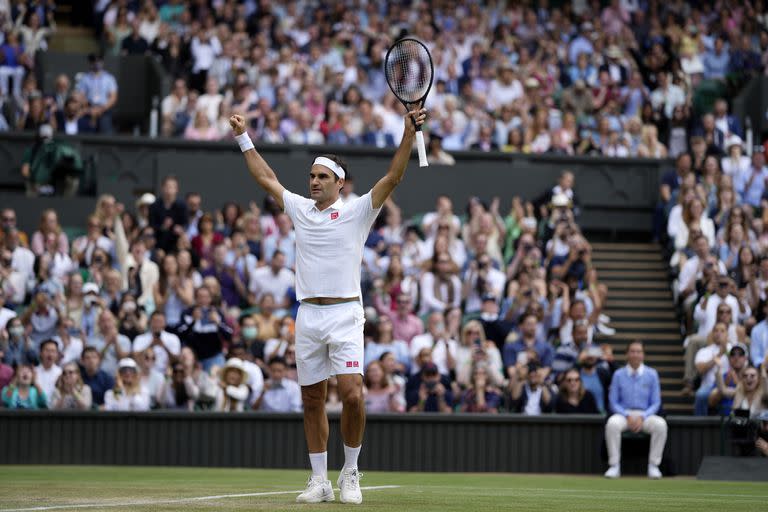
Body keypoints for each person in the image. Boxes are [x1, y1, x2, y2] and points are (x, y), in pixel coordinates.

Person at [230, 105, 427, 504]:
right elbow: (265, 177)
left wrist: (408, 133)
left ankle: (350, 472)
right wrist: (243, 137)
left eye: (322, 177)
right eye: (312, 176)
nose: (314, 182)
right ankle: (319, 479)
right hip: (308, 315)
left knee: (353, 394)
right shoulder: (299, 208)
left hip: (345, 314)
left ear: (339, 183)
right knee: (312, 399)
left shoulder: (357, 211)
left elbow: (394, 176)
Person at [604, 341, 667, 480]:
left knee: (661, 424)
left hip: (645, 416)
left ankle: (653, 465)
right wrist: (626, 415)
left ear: (643, 355)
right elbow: (613, 402)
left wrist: (643, 416)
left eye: (639, 351)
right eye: (632, 351)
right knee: (612, 424)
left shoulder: (652, 374)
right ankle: (614, 465)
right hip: (623, 414)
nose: (635, 354)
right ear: (627, 354)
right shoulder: (618, 374)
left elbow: (656, 402)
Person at [34, 339, 61, 403]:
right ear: (40, 353)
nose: (50, 354)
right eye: (47, 350)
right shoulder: (33, 372)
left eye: (53, 351)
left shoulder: (61, 373)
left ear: (57, 354)